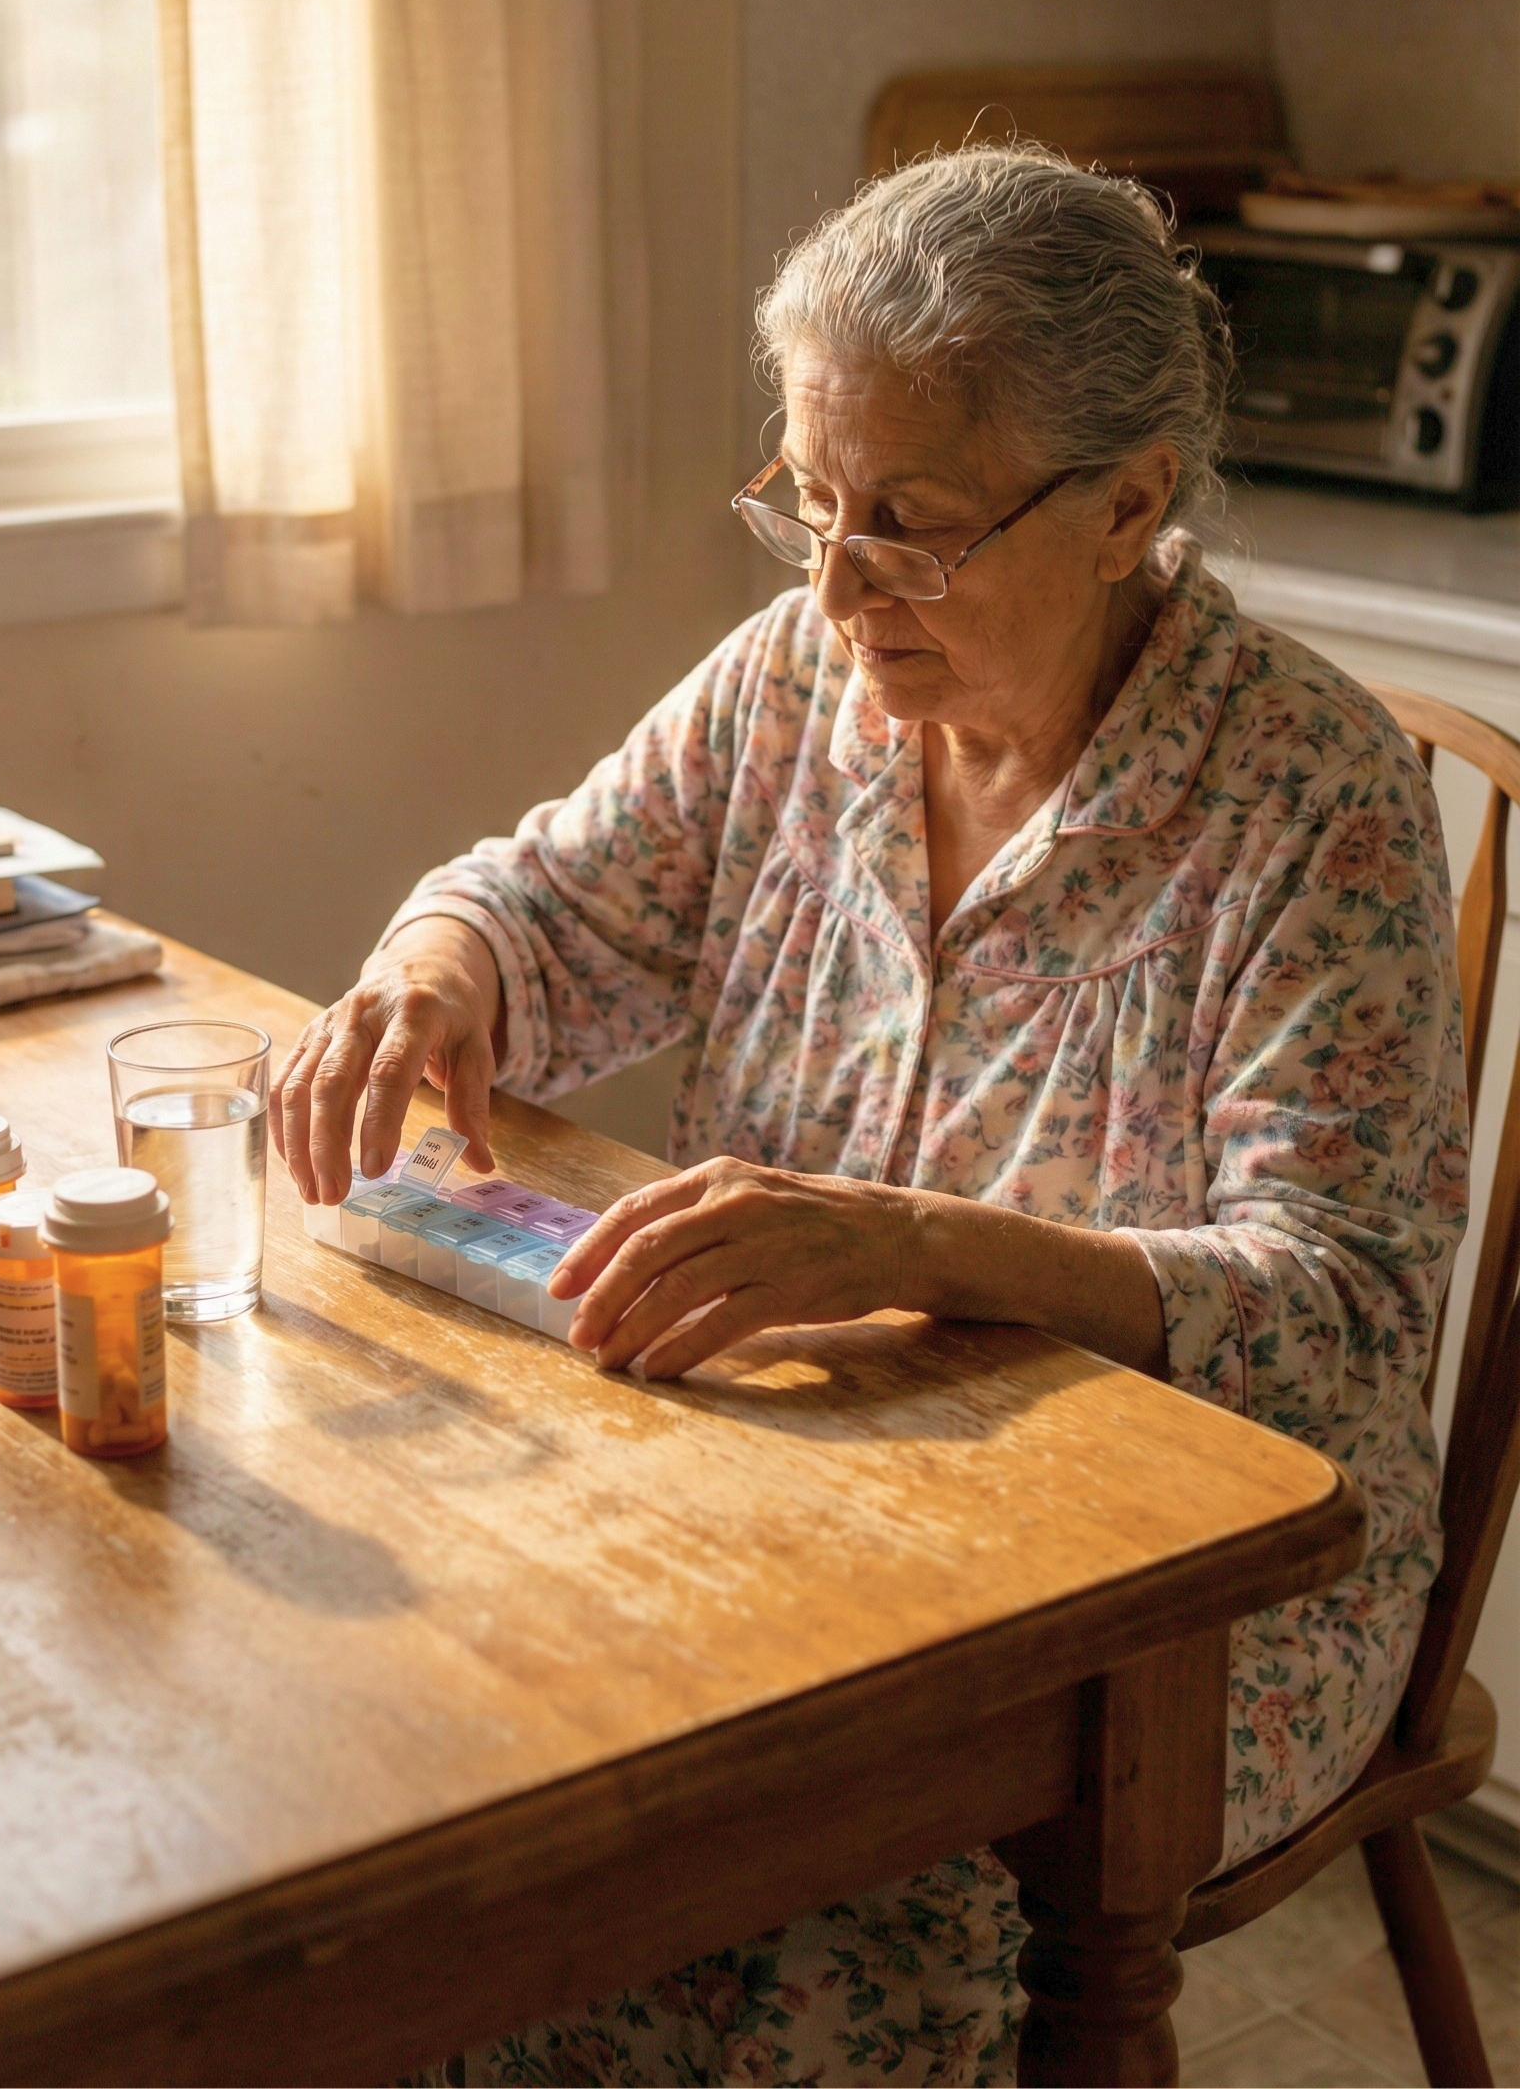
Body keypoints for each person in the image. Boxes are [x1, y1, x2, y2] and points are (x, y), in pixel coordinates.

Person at [272, 146, 1468, 2088]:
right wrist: (437, 969)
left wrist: (909, 1247)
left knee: (814, 1908)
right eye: (805, 505)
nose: (831, 586)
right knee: (434, 1790)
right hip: (808, 1487)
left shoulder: (1302, 797)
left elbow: (1328, 1317)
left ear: (1126, 506)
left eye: (901, 525)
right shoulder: (794, 688)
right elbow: (546, 897)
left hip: (1183, 1580)